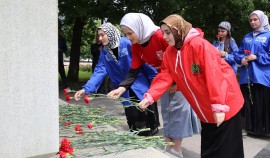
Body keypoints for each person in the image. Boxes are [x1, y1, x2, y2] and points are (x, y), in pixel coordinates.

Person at [138, 14, 244, 158]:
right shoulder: (170, 53)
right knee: (210, 150)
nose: (164, 37)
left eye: (168, 32)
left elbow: (215, 75)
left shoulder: (199, 45)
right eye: (163, 33)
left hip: (225, 105)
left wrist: (219, 105)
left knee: (227, 151)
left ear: (178, 30)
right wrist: (150, 96)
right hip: (206, 111)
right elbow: (165, 76)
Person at [107, 13, 199, 156]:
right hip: (163, 80)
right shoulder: (136, 46)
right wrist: (121, 88)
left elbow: (178, 57)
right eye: (126, 34)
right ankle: (168, 145)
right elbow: (134, 70)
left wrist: (176, 83)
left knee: (178, 113)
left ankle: (177, 149)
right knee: (167, 112)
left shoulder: (160, 36)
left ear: (139, 27)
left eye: (130, 33)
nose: (128, 37)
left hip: (179, 77)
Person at [74, 22, 158, 136]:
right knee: (132, 114)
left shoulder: (127, 43)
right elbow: (99, 71)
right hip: (123, 87)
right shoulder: (104, 52)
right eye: (99, 35)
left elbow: (144, 60)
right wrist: (86, 89)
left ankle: (152, 133)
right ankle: (139, 135)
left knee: (147, 111)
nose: (100, 38)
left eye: (102, 35)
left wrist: (153, 78)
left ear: (110, 33)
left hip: (139, 83)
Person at [234, 10, 270, 136]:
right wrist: (241, 59)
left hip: (262, 76)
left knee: (262, 101)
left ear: (261, 19)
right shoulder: (247, 36)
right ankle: (247, 128)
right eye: (250, 20)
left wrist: (257, 56)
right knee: (247, 101)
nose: (253, 22)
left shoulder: (268, 35)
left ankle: (264, 130)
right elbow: (238, 53)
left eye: (255, 19)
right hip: (247, 75)